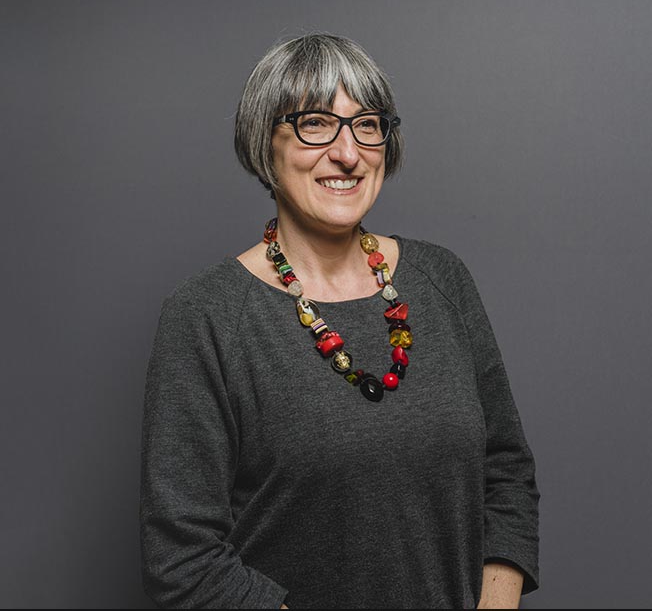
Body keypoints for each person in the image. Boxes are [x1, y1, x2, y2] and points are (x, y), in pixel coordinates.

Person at [140, 33, 540, 609]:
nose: (348, 153)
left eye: (367, 125)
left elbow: (506, 474)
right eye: (315, 124)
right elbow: (183, 559)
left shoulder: (442, 278)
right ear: (264, 142)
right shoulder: (206, 315)